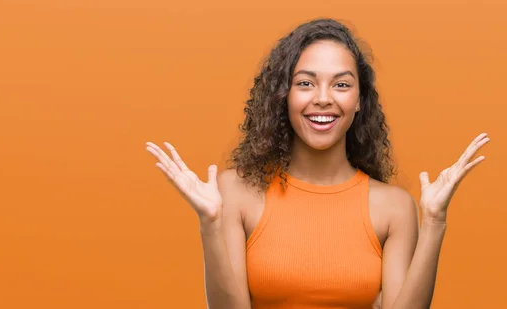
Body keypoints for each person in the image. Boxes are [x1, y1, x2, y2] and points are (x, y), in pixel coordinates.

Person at [145, 18, 489, 309]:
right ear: (285, 96)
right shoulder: (235, 191)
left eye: (341, 85)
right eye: (305, 83)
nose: (323, 98)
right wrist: (210, 225)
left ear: (359, 101)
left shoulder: (394, 208)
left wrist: (433, 222)